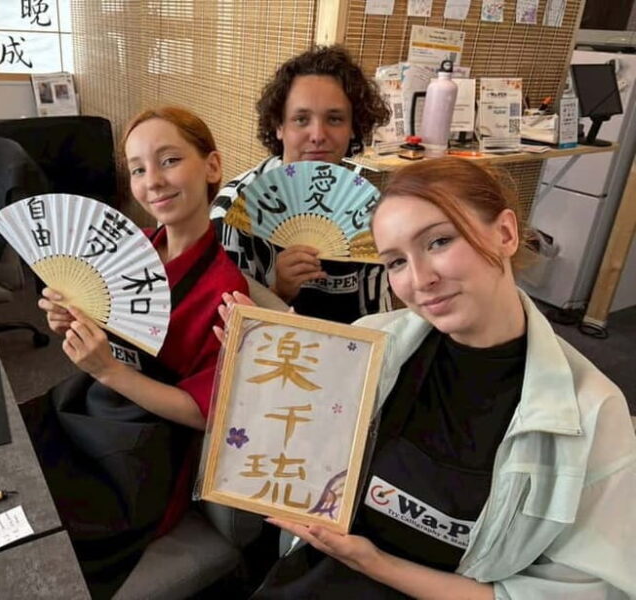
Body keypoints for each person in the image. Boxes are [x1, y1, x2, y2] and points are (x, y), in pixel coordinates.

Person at [219, 157, 636, 598]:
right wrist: (261, 382)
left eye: (438, 241)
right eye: (396, 262)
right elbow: (301, 466)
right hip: (320, 575)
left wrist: (377, 564)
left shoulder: (591, 414)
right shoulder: (368, 345)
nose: (420, 280)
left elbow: (582, 592)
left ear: (506, 234)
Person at [22, 106, 249, 598]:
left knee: (53, 540)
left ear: (211, 167)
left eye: (169, 161)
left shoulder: (227, 292)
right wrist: (71, 321)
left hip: (146, 454)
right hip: (93, 409)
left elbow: (205, 414)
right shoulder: (133, 248)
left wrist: (107, 370)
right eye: (139, 169)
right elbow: (109, 342)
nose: (154, 181)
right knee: (15, 463)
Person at [211, 45, 393, 323]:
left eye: (334, 119)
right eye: (301, 119)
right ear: (279, 126)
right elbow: (226, 326)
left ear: (353, 127)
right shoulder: (234, 209)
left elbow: (378, 316)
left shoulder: (369, 208)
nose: (318, 135)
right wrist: (278, 291)